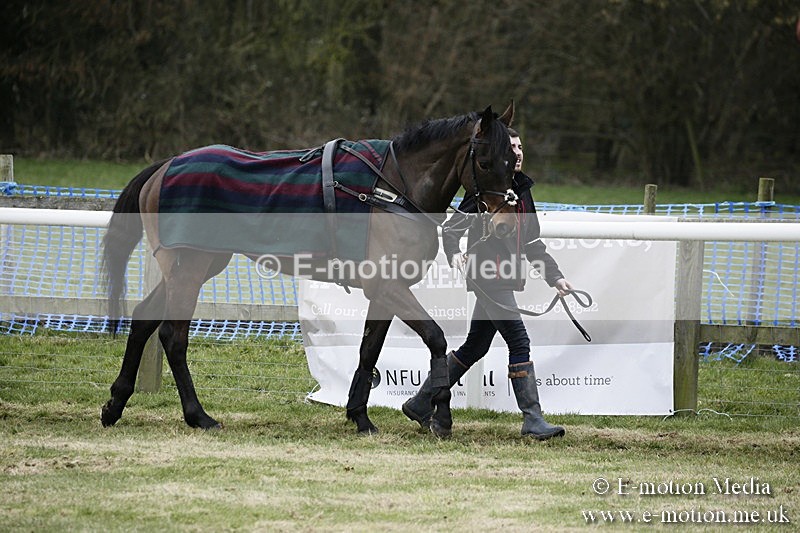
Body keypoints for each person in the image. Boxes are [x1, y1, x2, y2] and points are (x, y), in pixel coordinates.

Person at [402, 128, 572, 440]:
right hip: (488, 276)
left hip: (504, 276)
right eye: (512, 147)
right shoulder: (485, 191)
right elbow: (452, 229)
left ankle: (421, 401)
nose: (518, 152)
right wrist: (454, 253)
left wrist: (555, 277)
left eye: (521, 147)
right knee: (518, 341)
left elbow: (532, 242)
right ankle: (533, 419)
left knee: (475, 346)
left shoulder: (523, 190)